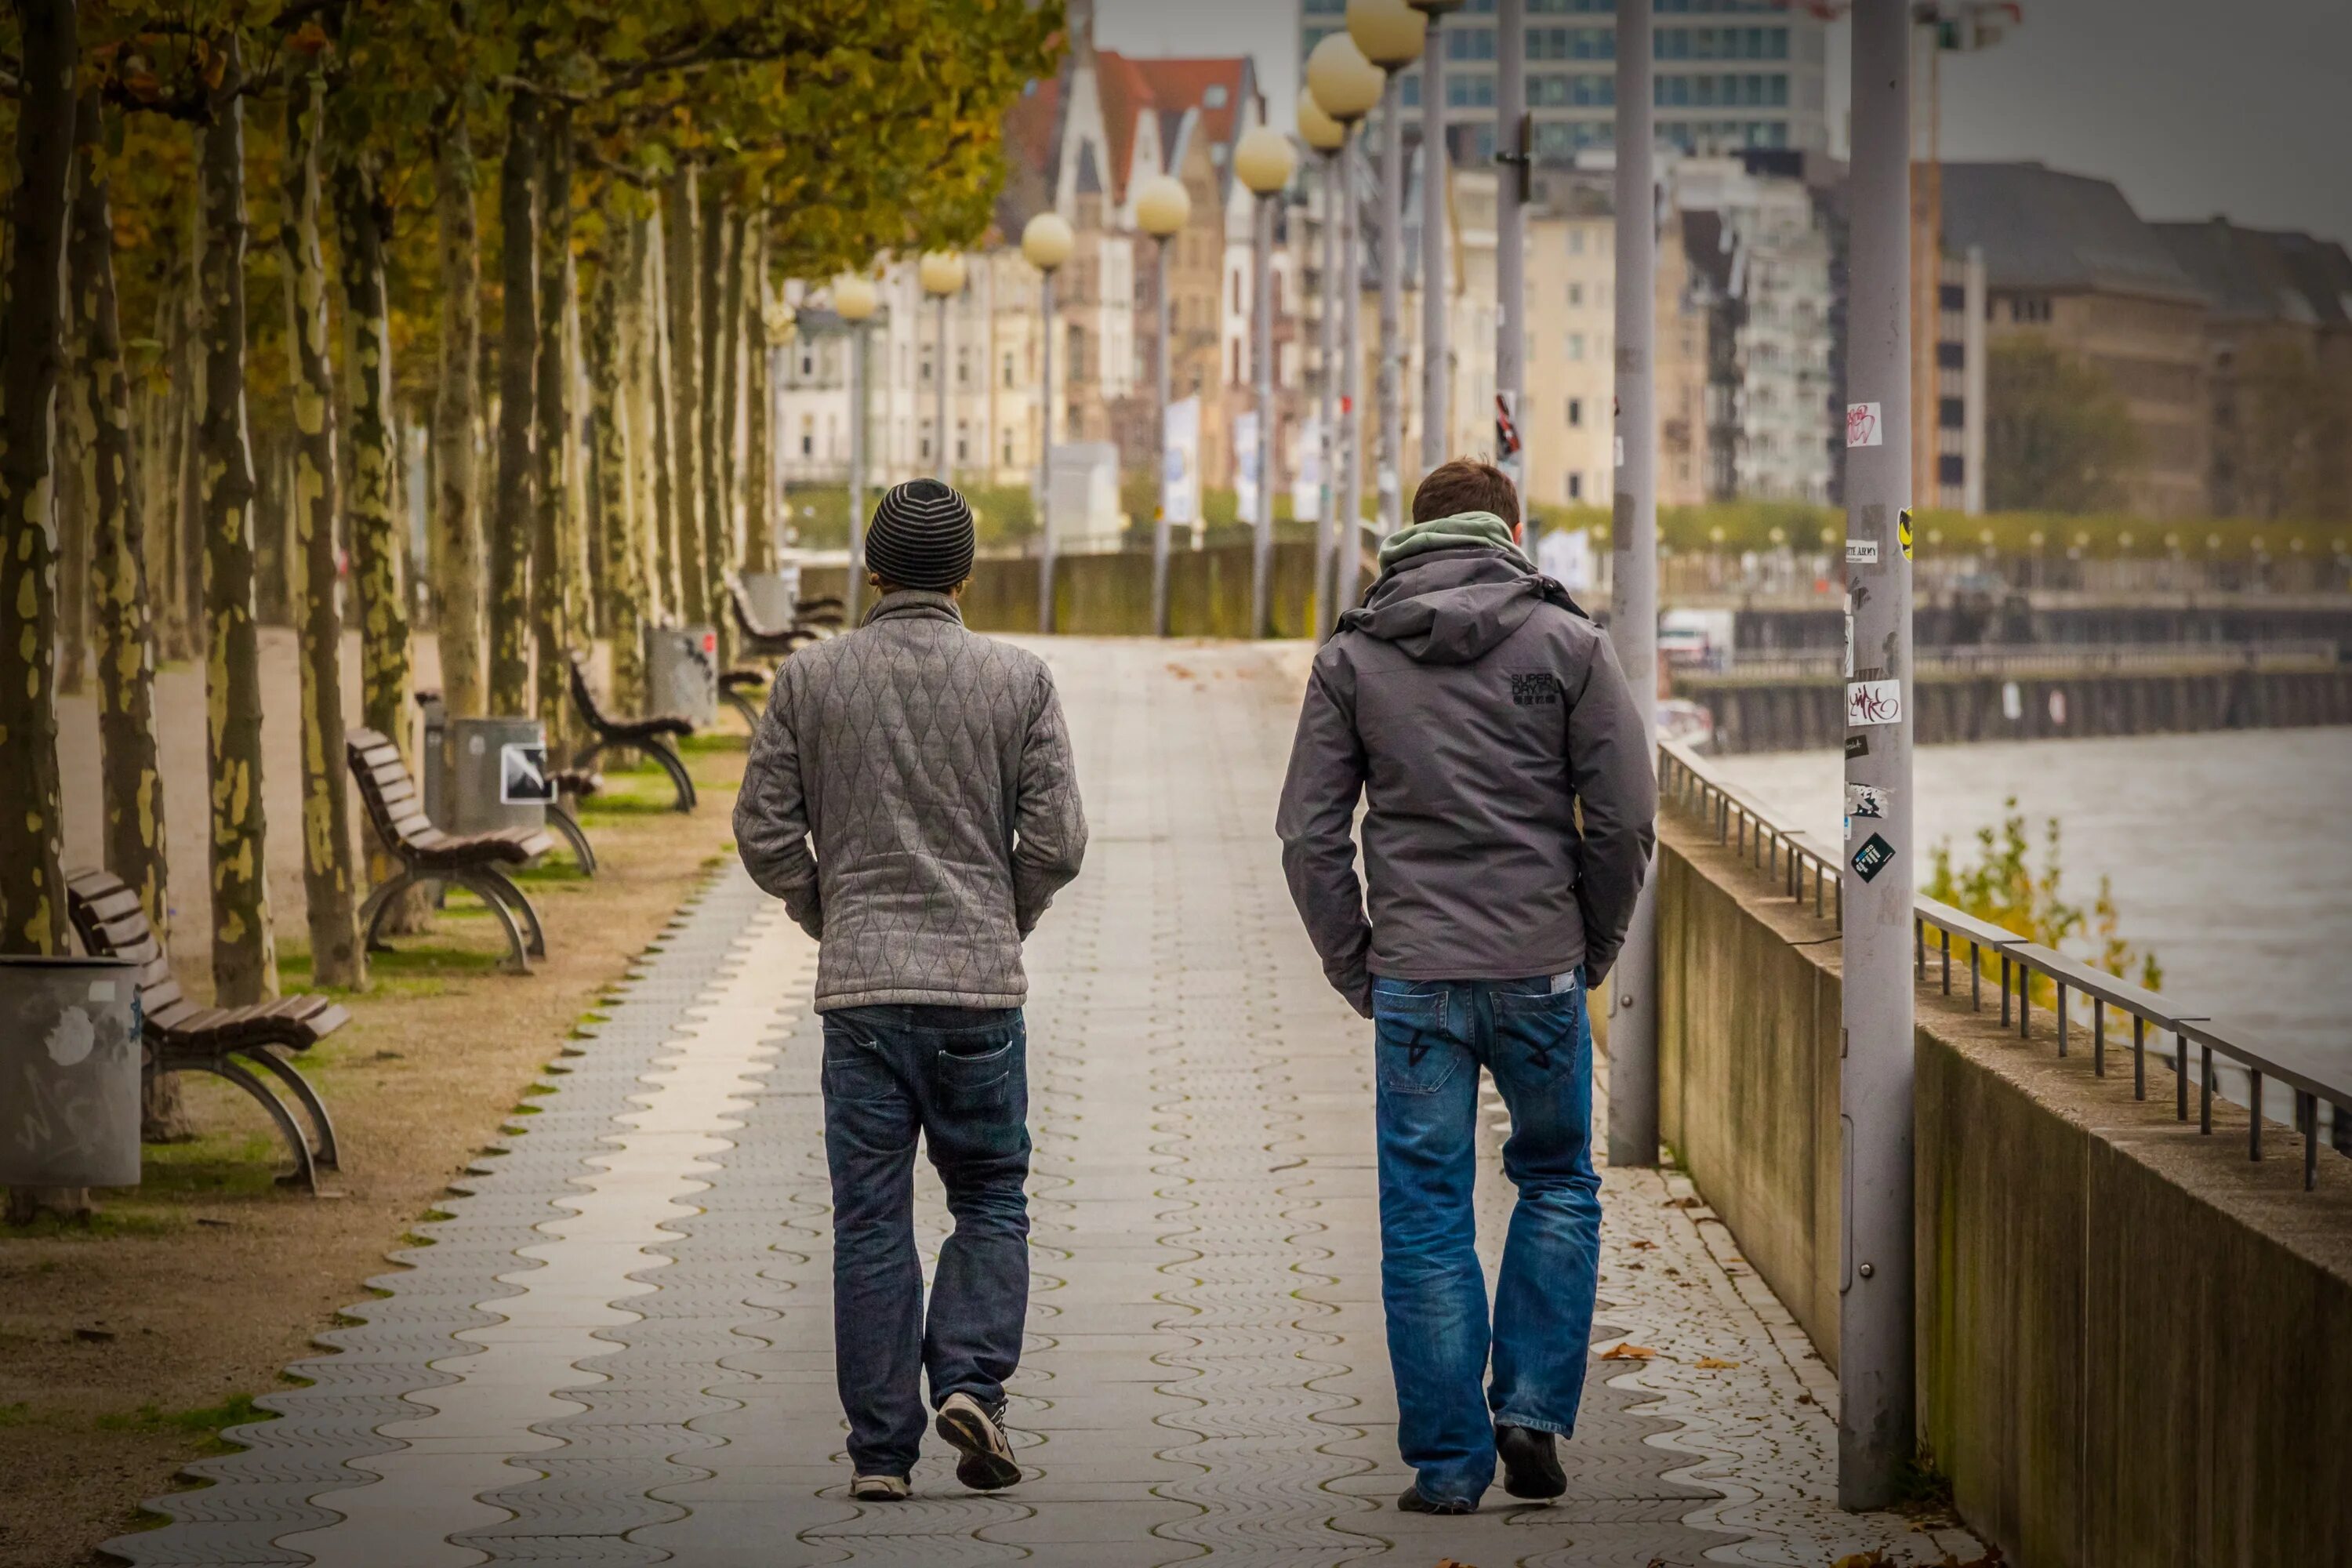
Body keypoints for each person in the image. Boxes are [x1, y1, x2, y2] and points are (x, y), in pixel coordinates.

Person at [1275, 459, 1656, 1514]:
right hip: (1538, 966)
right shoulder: (1571, 645)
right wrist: (1592, 947)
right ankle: (1531, 1408)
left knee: (1427, 1214)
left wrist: (1360, 964)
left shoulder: (1353, 656)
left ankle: (1448, 1469)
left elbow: (1308, 838)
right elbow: (1626, 819)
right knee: (1557, 1179)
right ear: (1513, 529)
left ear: (1412, 536)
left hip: (1418, 982)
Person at [736, 478, 1087, 1502]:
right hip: (979, 995)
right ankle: (972, 1380)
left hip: (859, 1001)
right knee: (989, 1193)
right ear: (967, 576)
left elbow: (763, 831)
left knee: (872, 1218)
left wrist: (828, 910)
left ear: (870, 570)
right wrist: (1002, 916)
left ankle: (881, 1453)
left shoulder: (808, 680)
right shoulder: (1019, 681)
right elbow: (1059, 841)